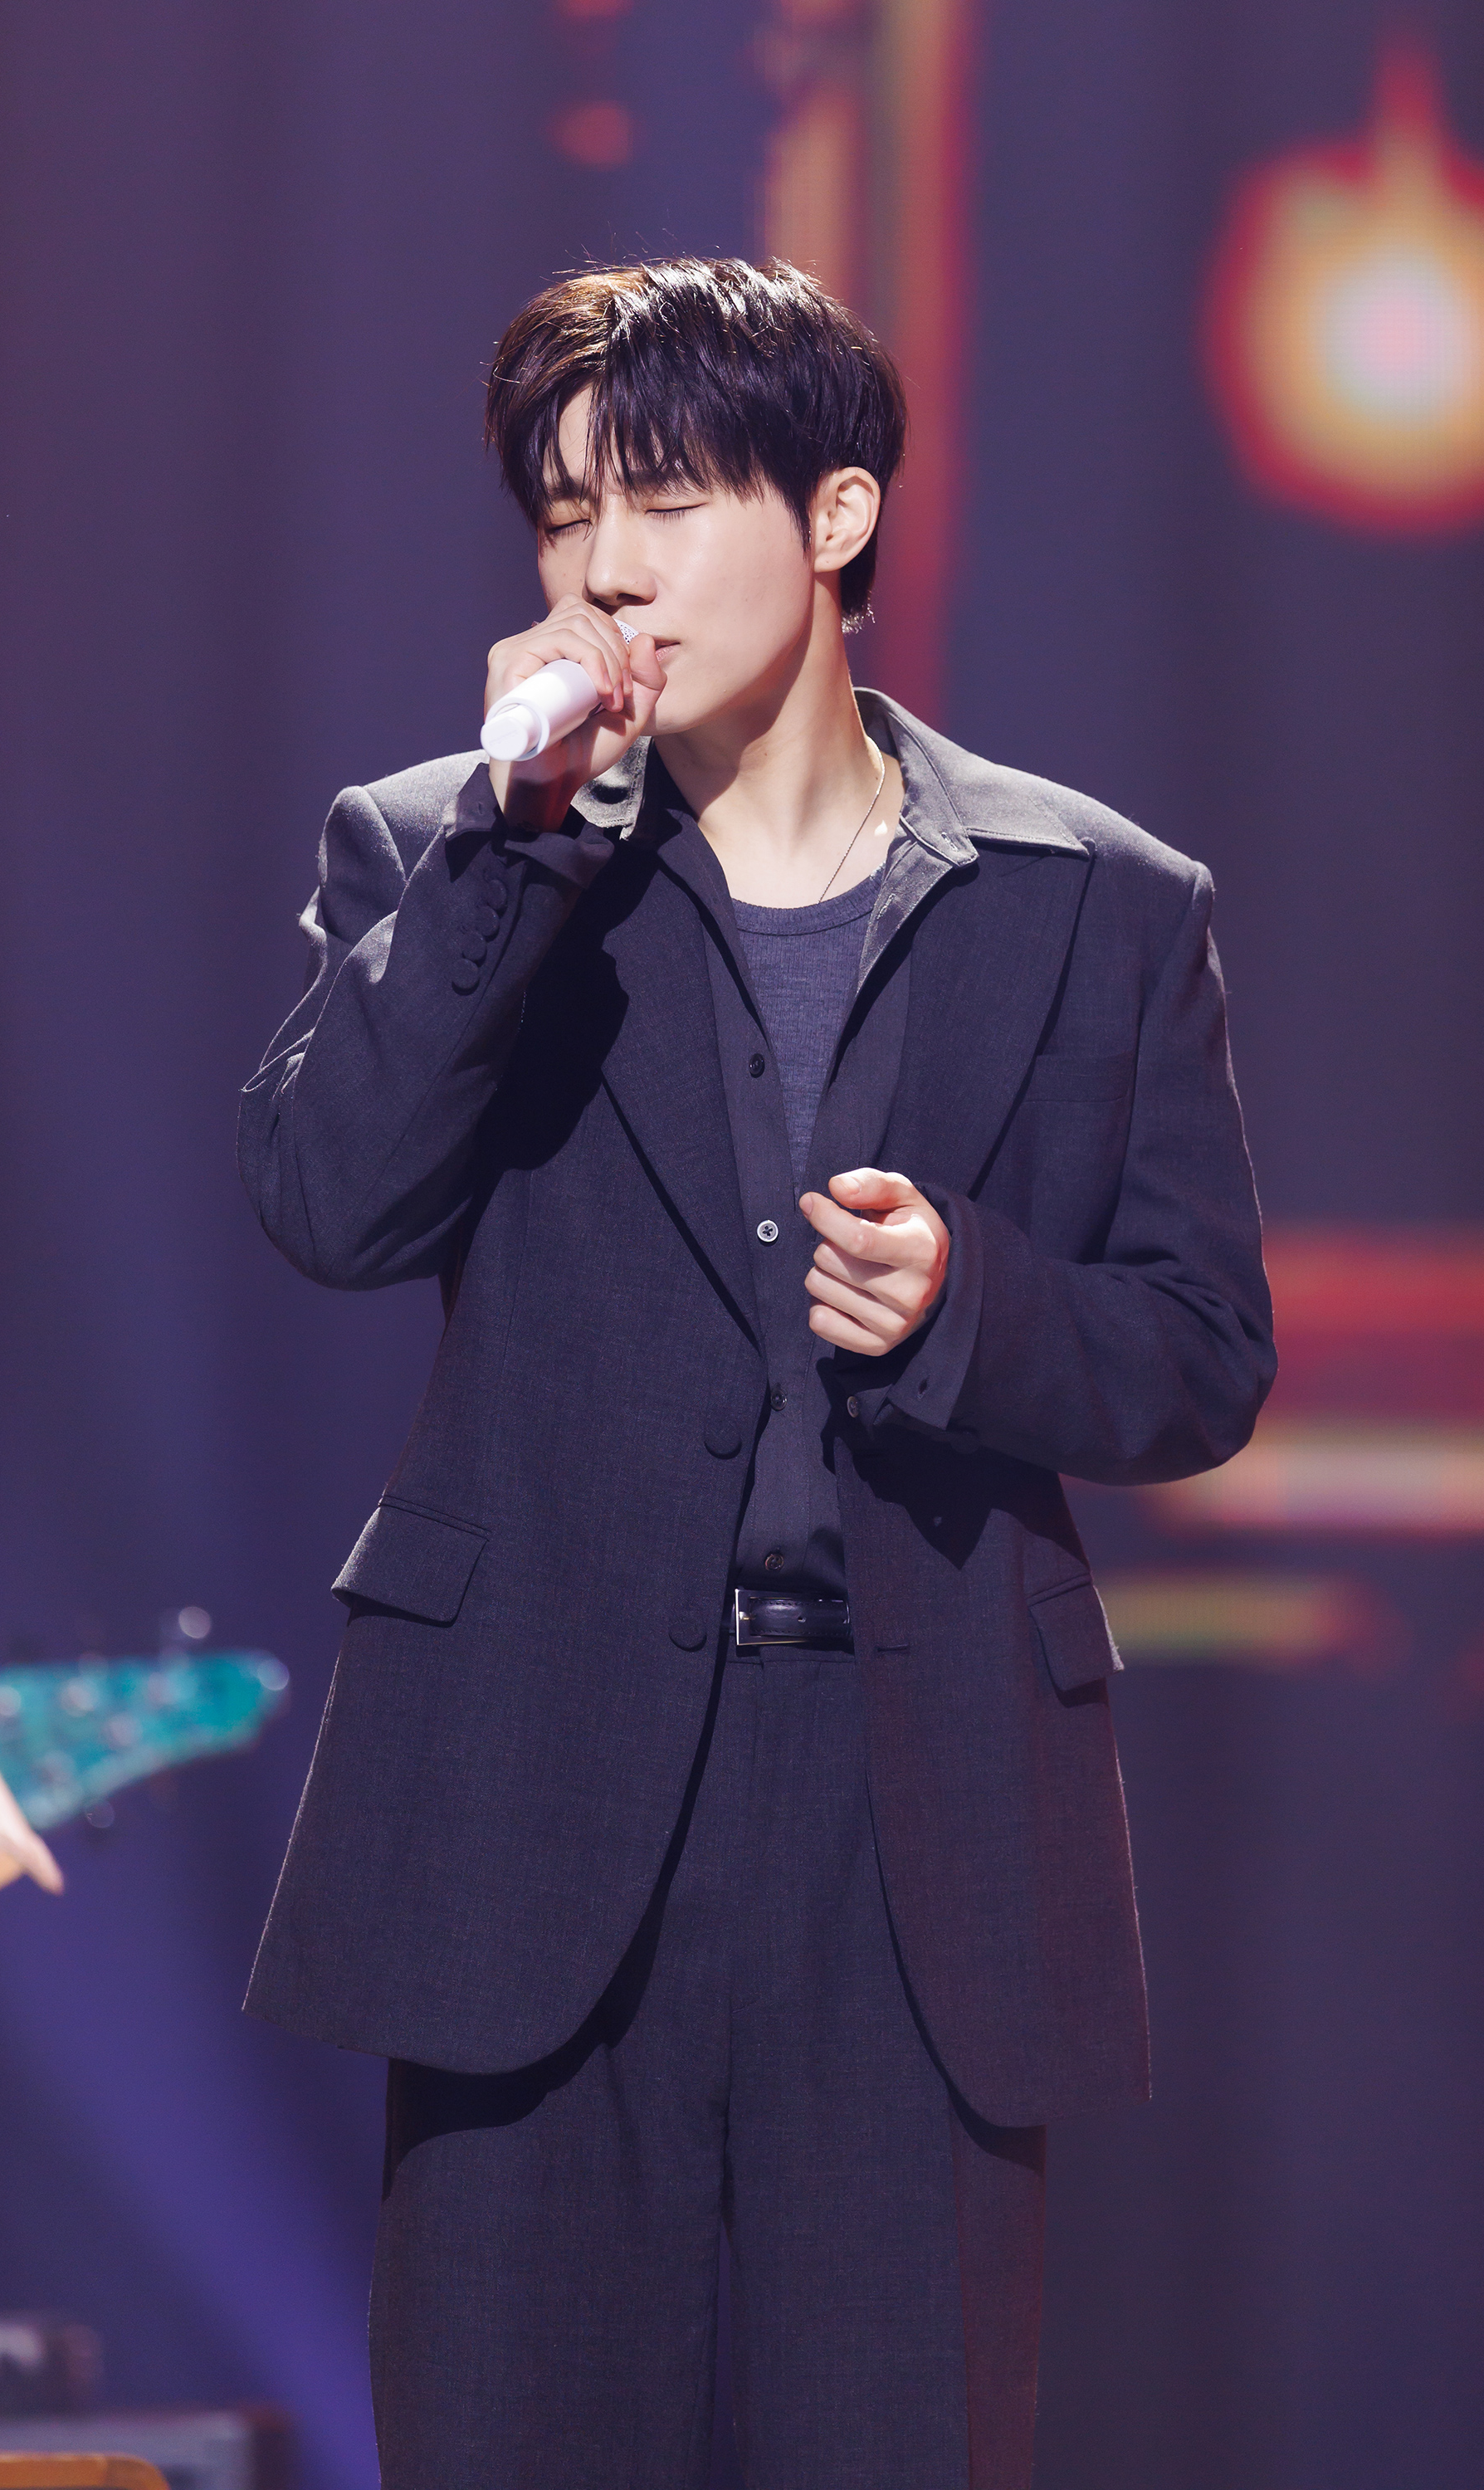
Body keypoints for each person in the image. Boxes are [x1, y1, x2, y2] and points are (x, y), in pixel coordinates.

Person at [238, 256, 1274, 2490]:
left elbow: (1203, 1357)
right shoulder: (445, 847)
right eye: (563, 513)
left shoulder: (1097, 899)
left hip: (915, 1825)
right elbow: (330, 1204)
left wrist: (975, 1300)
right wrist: (523, 846)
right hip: (531, 1792)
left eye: (666, 499)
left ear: (833, 516)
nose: (603, 568)